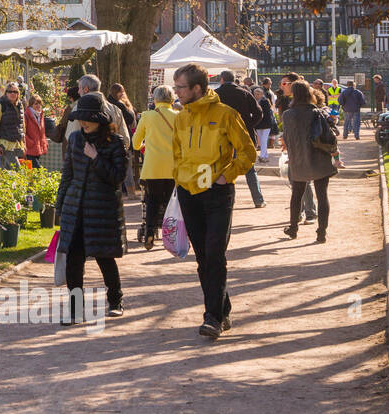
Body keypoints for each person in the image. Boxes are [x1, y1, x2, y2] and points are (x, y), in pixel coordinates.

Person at [171, 62, 257, 341]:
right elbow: (177, 152)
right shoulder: (181, 117)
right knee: (204, 257)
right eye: (175, 87)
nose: (177, 92)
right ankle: (222, 309)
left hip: (218, 192)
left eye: (181, 87)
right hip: (189, 192)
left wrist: (226, 175)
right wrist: (180, 177)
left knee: (215, 254)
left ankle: (213, 318)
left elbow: (247, 152)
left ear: (197, 88)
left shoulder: (225, 115)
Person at [55, 92, 128, 324]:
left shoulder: (115, 143)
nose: (83, 122)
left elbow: (118, 178)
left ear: (100, 119)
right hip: (75, 208)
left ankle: (116, 300)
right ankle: (75, 309)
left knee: (104, 257)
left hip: (102, 210)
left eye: (87, 118)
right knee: (74, 260)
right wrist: (60, 206)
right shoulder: (76, 139)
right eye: (81, 118)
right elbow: (67, 175)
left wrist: (96, 157)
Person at [280, 80, 335, 243]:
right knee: (322, 196)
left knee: (296, 195)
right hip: (319, 157)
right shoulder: (317, 112)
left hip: (299, 159)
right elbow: (329, 135)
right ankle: (321, 232)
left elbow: (287, 139)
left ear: (294, 94)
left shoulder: (288, 115)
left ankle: (293, 228)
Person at [131, 85, 179, 250]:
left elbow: (136, 144)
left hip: (153, 167)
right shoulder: (179, 116)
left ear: (155, 99)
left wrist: (146, 144)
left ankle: (150, 231)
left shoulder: (148, 116)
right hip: (174, 168)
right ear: (172, 99)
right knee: (170, 203)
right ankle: (171, 234)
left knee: (152, 201)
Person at [215, 69, 266, 208]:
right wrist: (248, 125)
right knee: (250, 168)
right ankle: (258, 199)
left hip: (223, 136)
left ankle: (228, 200)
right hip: (243, 135)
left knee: (224, 168)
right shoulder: (244, 93)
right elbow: (258, 112)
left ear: (222, 80)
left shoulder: (216, 94)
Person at [0, 82, 26, 169]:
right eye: (10, 92)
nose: (13, 94)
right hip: (5, 143)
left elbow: (22, 124)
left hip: (16, 143)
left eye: (15, 92)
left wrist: (24, 141)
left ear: (18, 93)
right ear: (6, 93)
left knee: (7, 171)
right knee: (17, 170)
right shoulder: (0, 106)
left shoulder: (20, 106)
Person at [251, 85, 277, 161]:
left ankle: (262, 155)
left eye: (258, 94)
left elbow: (266, 114)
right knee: (262, 139)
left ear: (262, 94)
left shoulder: (265, 101)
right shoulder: (254, 101)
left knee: (264, 139)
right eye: (255, 94)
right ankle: (265, 156)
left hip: (266, 124)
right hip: (258, 124)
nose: (256, 95)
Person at [23, 93, 48, 167]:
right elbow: (23, 132)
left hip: (37, 147)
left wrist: (44, 142)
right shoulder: (26, 115)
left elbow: (42, 131)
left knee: (32, 172)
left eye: (40, 103)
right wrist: (30, 142)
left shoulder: (40, 115)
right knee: (37, 170)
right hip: (29, 148)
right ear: (31, 105)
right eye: (36, 104)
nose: (38, 106)